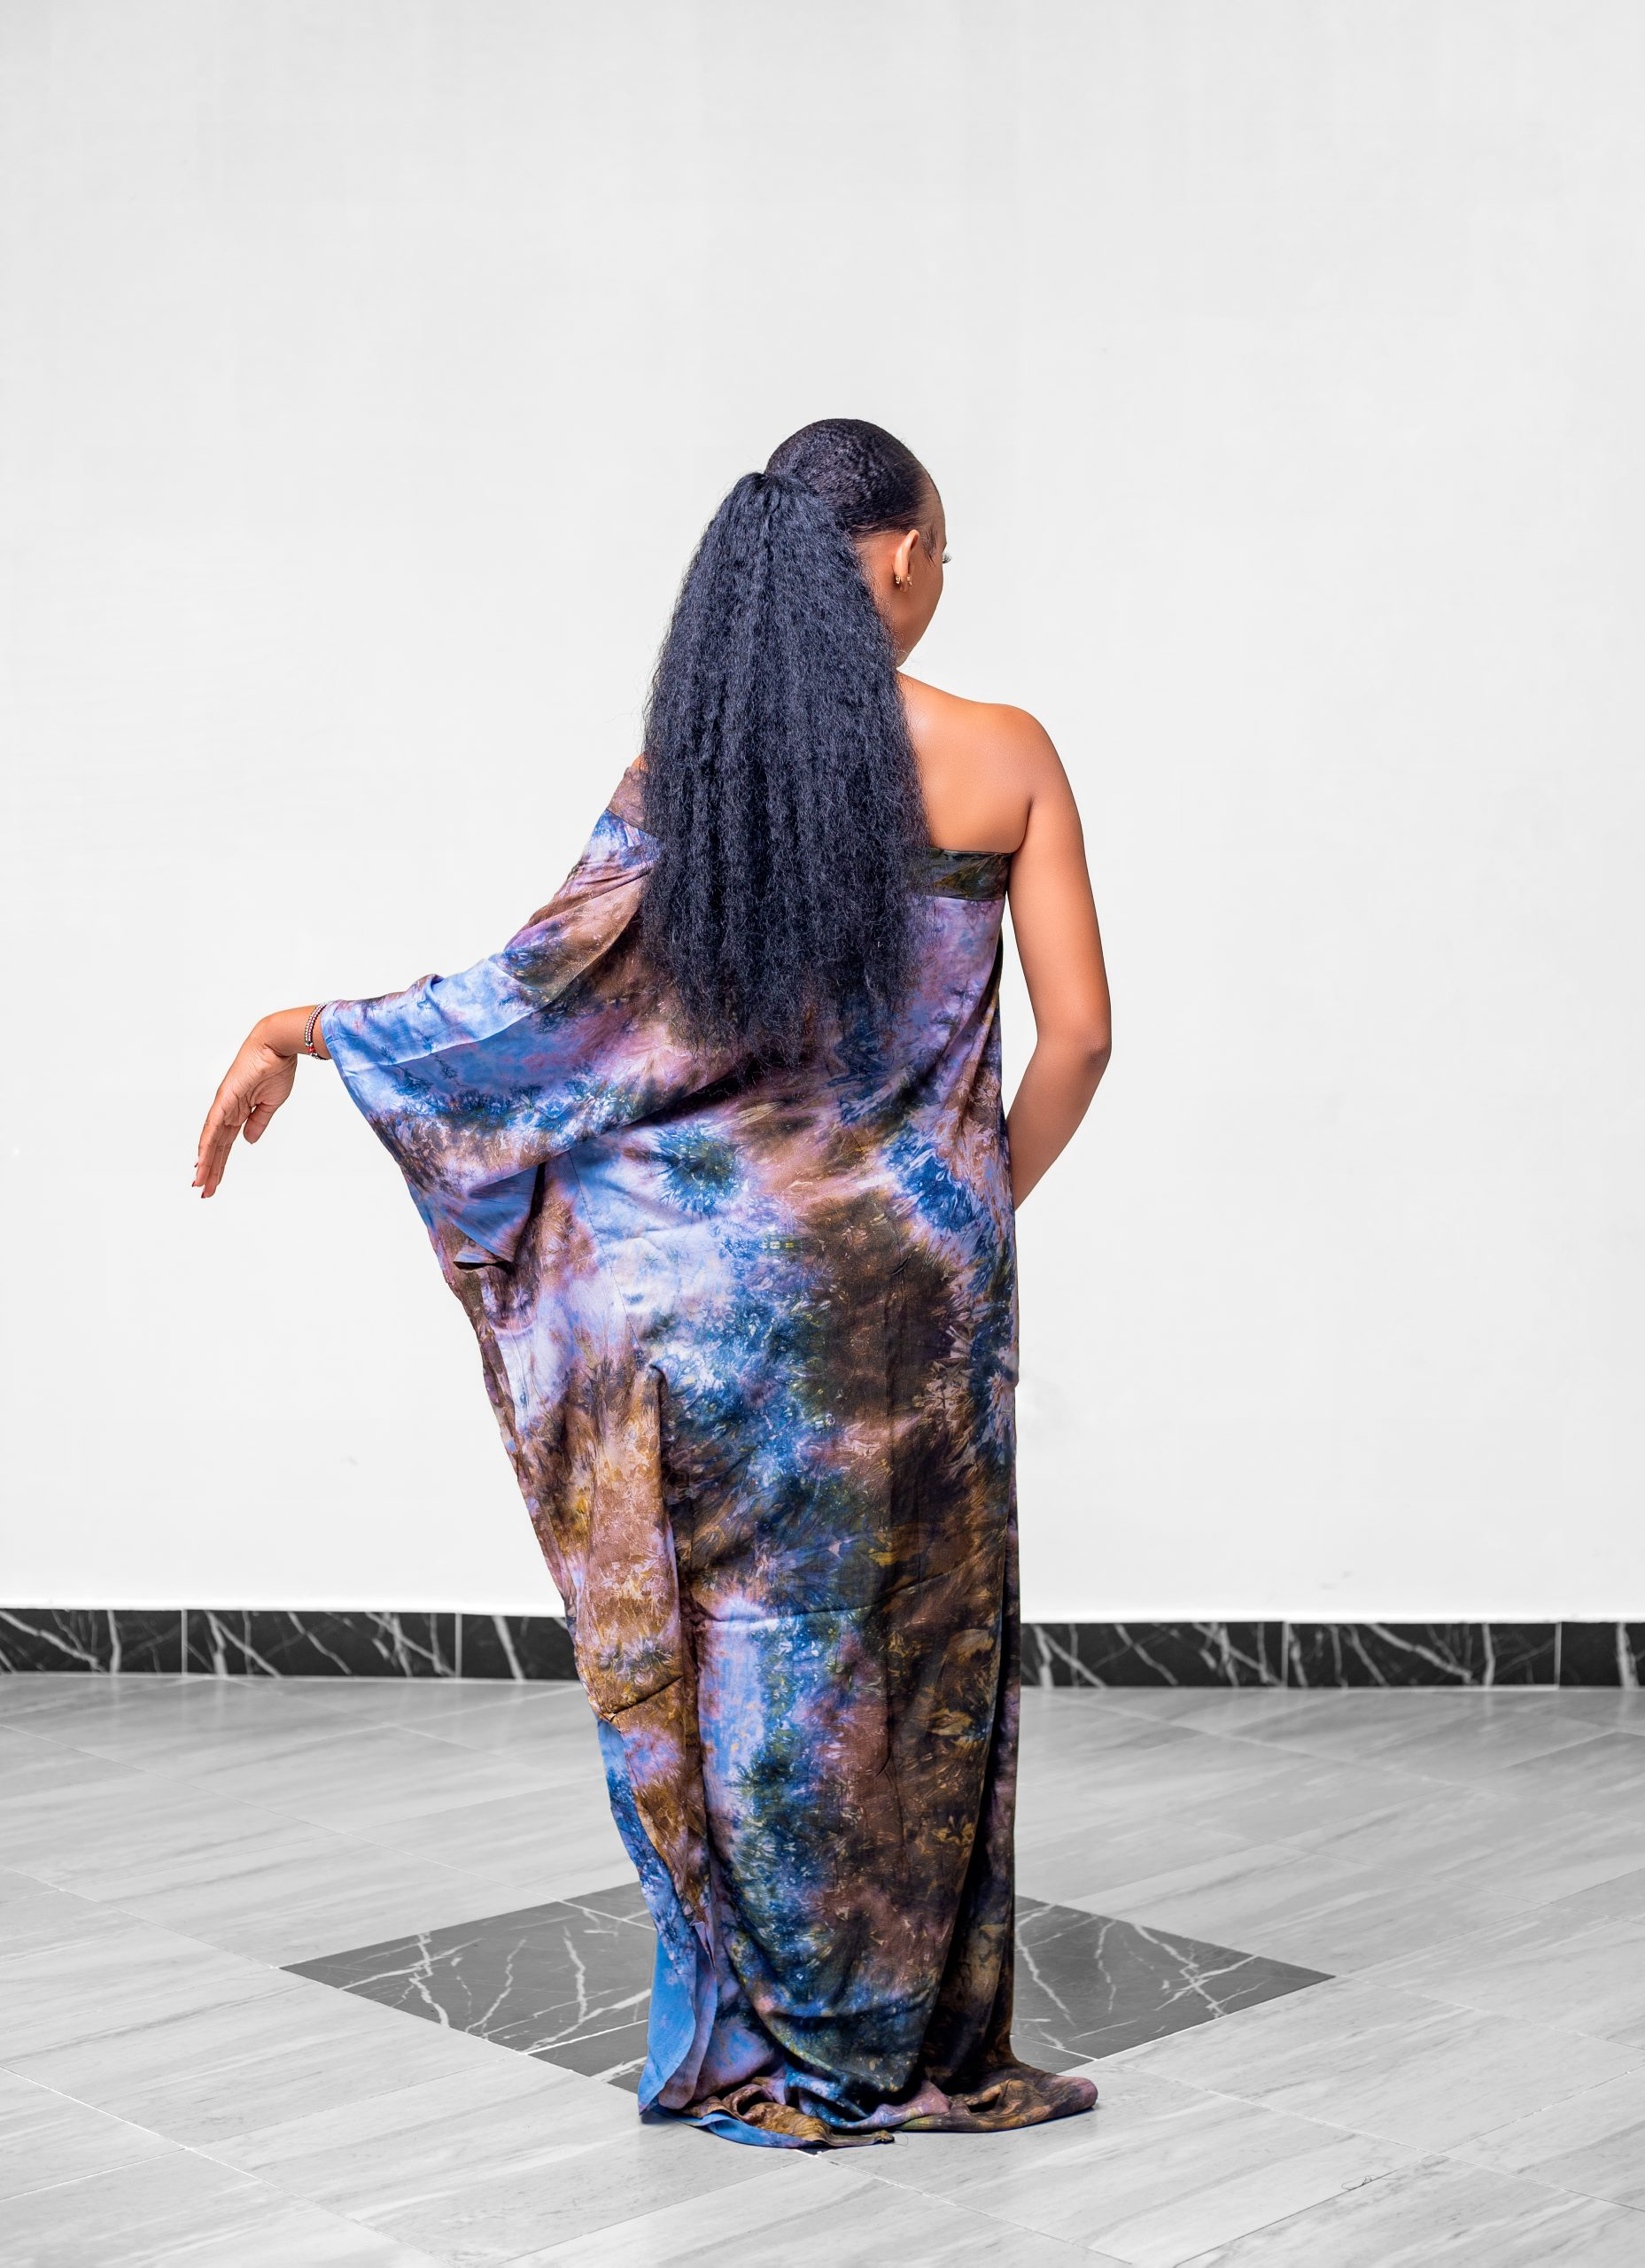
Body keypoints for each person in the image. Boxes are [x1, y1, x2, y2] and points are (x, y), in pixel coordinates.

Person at [195, 417, 1113, 2148]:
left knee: (752, 1665)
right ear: (901, 560)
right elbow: (1081, 1036)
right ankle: (917, 2043)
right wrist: (951, 1203)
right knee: (927, 1655)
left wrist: (299, 1024)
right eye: (940, 551)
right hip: (920, 1307)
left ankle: (772, 2034)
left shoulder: (686, 780)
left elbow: (529, 1008)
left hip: (716, 1311)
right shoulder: (1006, 755)